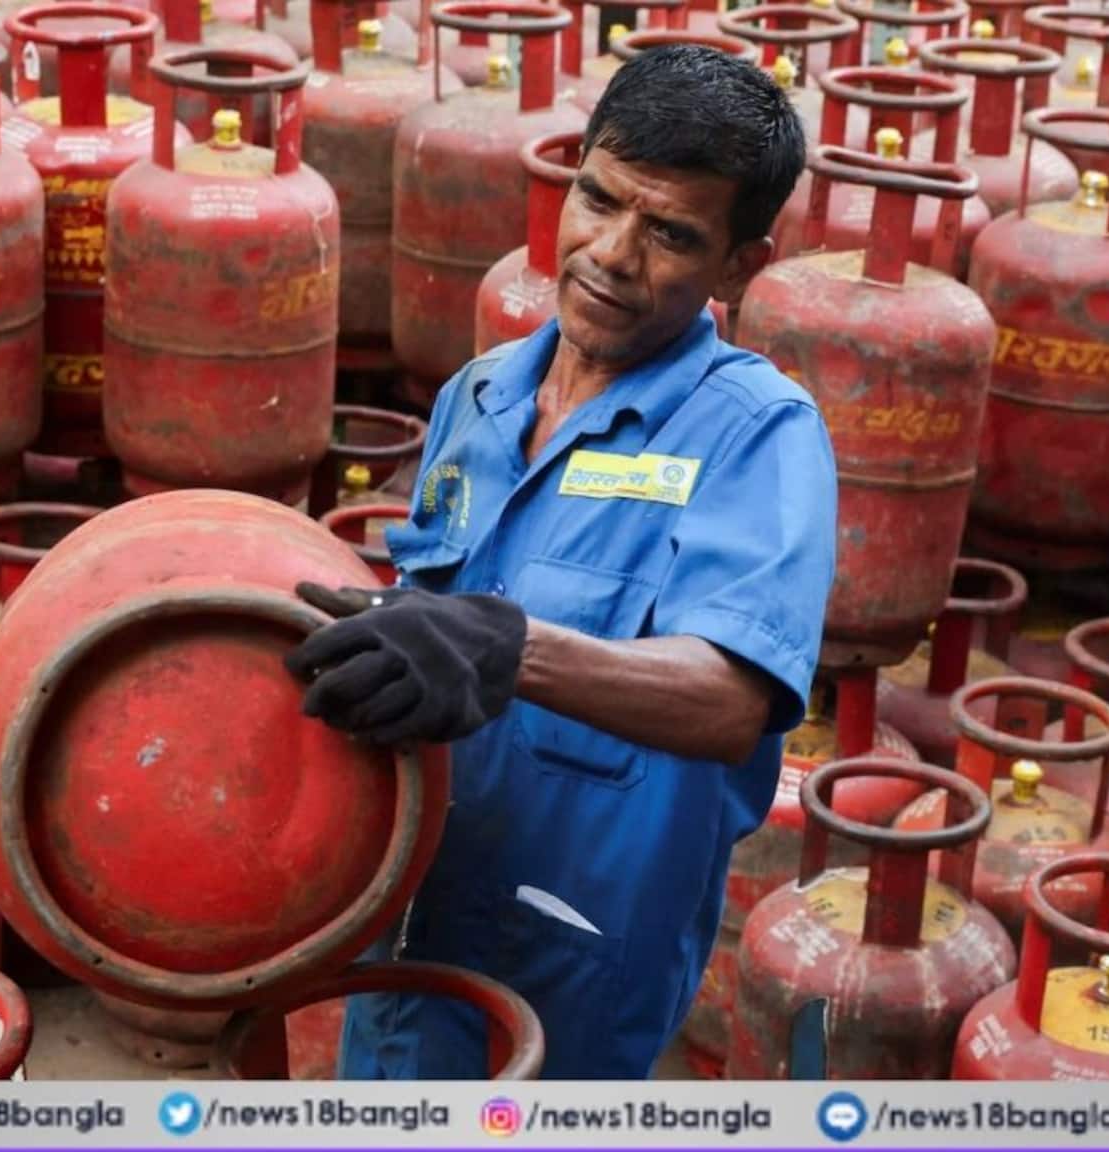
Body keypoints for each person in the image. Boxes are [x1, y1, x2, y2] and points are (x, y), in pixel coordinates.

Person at [283, 44, 835, 1078]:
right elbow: (426, 624)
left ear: (737, 266)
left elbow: (729, 699)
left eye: (669, 233)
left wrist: (510, 650)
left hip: (571, 945)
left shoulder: (758, 437)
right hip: (407, 911)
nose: (612, 255)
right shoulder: (482, 393)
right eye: (600, 199)